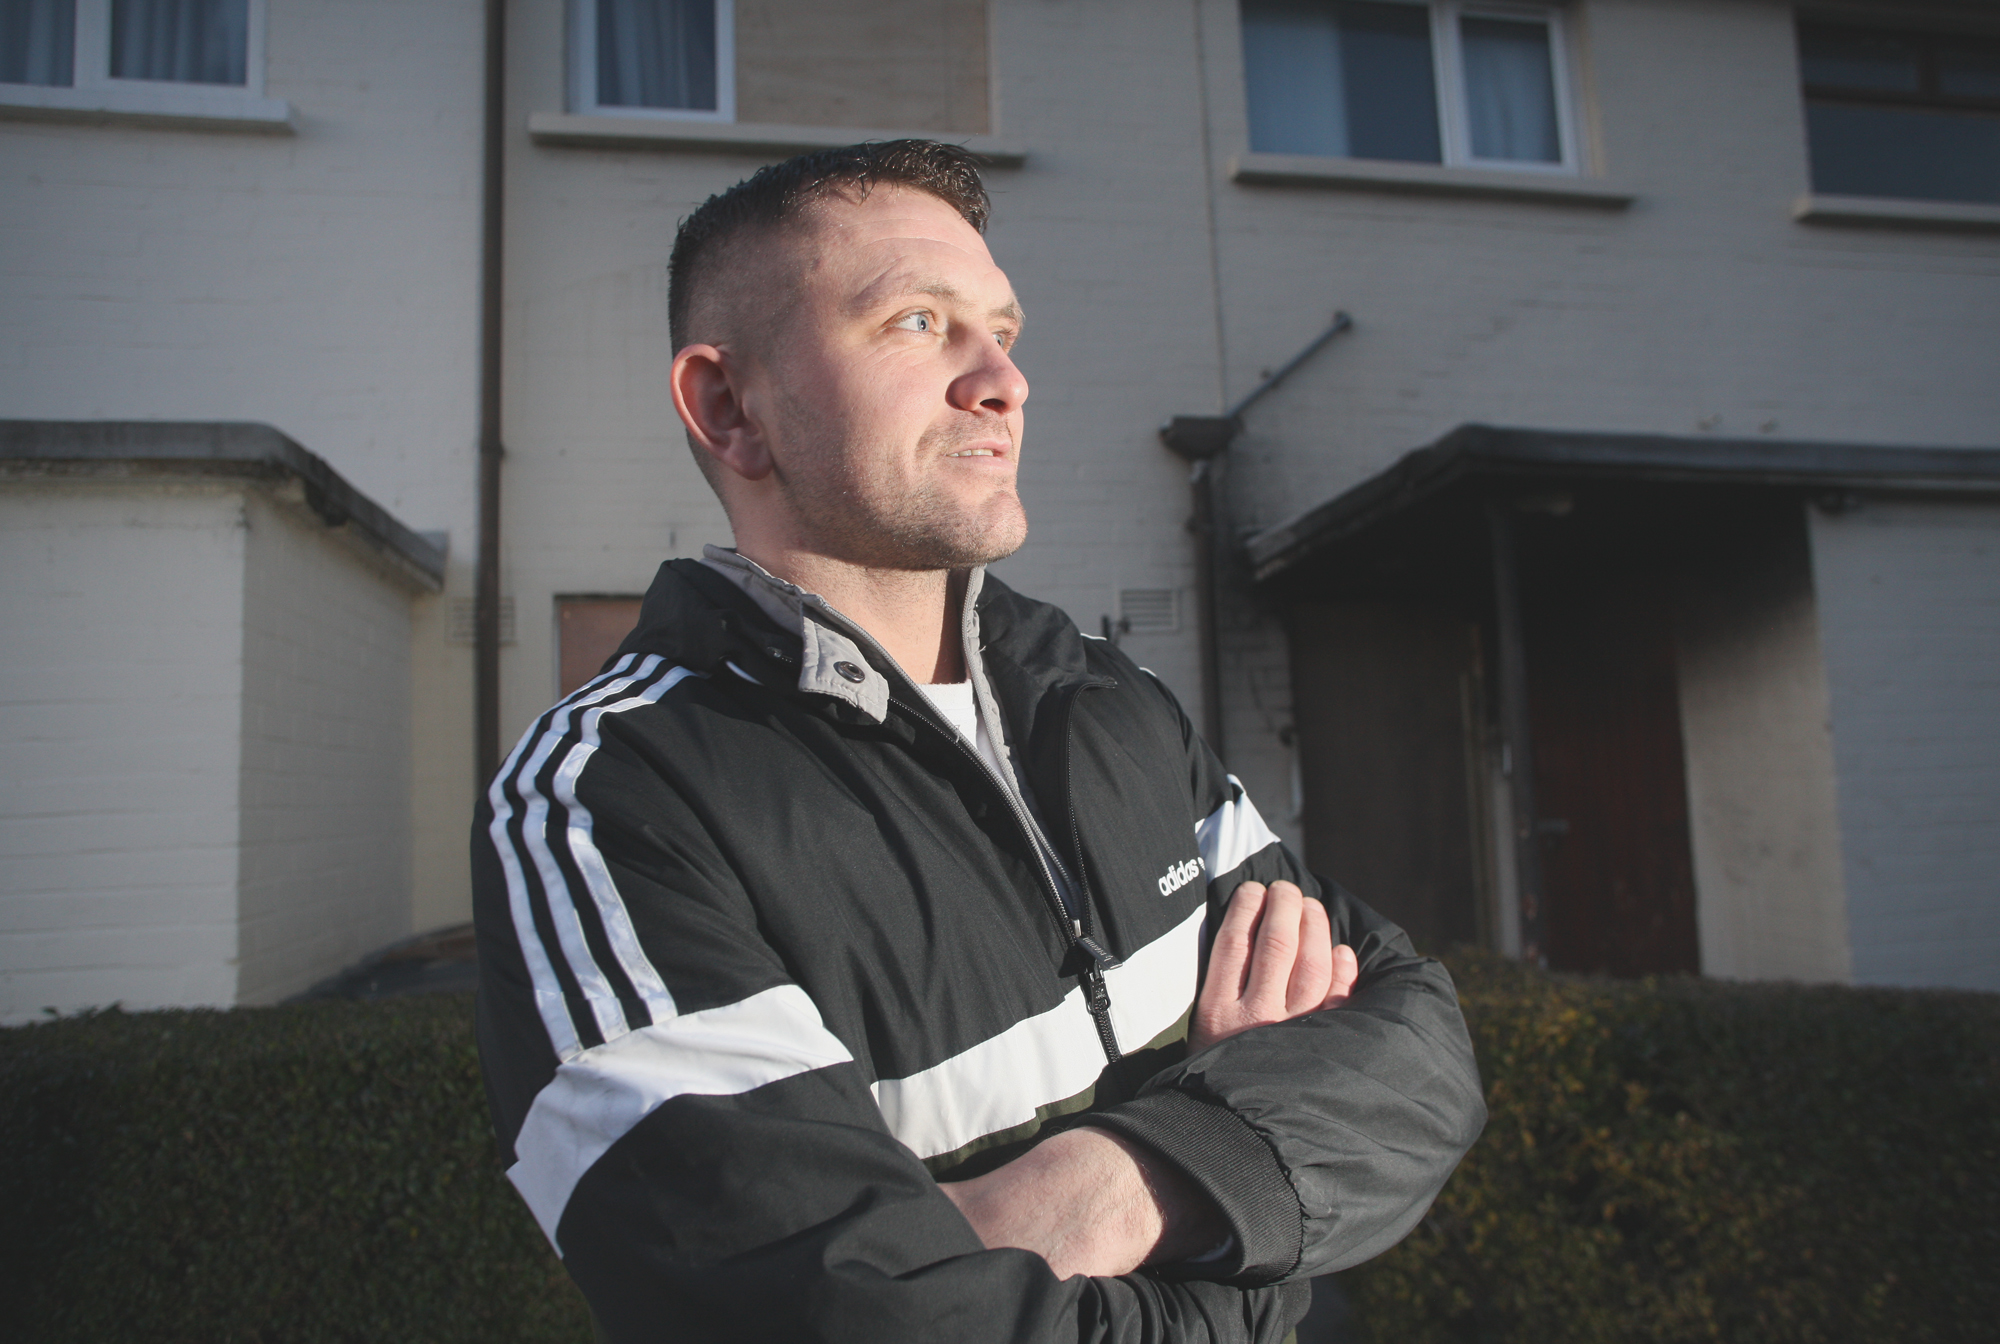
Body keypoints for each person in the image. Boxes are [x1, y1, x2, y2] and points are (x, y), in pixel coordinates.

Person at [473, 140, 1485, 1344]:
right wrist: (1245, 1241)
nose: (1001, 378)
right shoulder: (603, 799)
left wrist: (1090, 1192)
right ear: (728, 405)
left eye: (1000, 329)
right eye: (914, 321)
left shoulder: (1108, 703)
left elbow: (1418, 1049)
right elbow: (810, 1316)